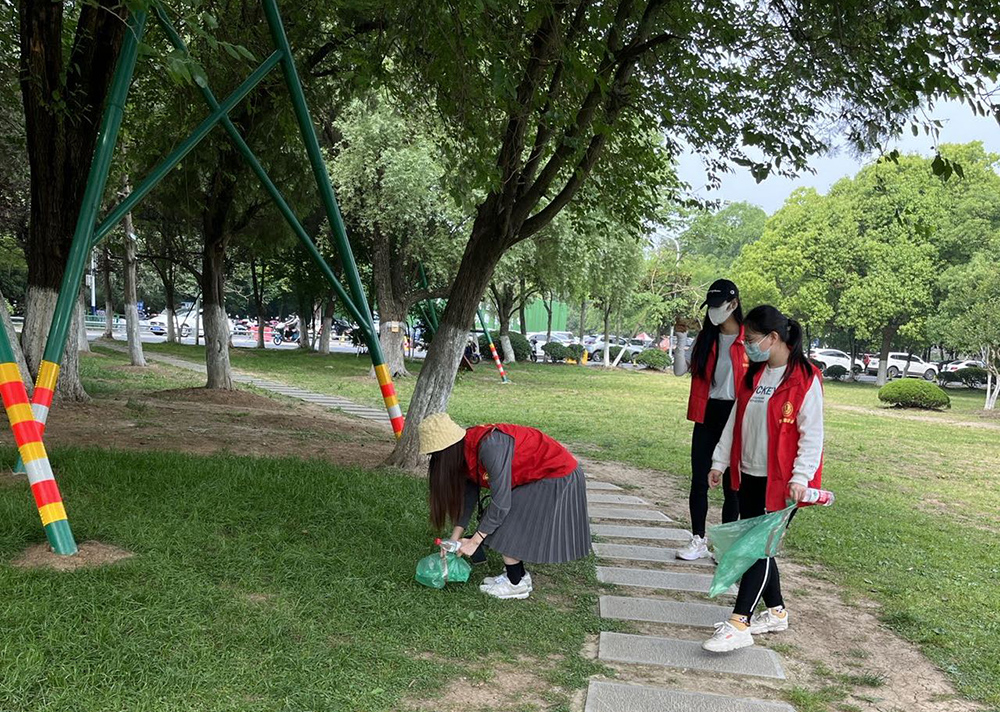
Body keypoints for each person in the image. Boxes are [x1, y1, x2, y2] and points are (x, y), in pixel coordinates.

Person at [702, 305, 824, 652]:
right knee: (760, 547)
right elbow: (734, 422)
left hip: (782, 483)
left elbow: (812, 435)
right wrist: (719, 461)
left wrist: (801, 478)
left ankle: (739, 623)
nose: (747, 346)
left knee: (756, 549)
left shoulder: (805, 378)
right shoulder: (754, 376)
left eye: (752, 340)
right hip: (750, 475)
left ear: (773, 338)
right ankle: (776, 611)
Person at [418, 413, 591, 600]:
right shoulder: (466, 449)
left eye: (435, 455)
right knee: (498, 518)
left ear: (446, 452)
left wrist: (474, 542)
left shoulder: (489, 447)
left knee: (506, 519)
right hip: (539, 475)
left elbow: (501, 504)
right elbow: (468, 497)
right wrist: (454, 539)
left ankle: (515, 584)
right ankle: (519, 576)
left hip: (557, 475)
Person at [672, 279, 747, 561]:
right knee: (699, 479)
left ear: (733, 304)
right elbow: (680, 370)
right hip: (707, 413)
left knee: (732, 485)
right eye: (711, 306)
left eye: (719, 305)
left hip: (736, 414)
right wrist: (681, 339)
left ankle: (725, 546)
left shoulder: (749, 340)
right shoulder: (706, 338)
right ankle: (698, 539)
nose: (714, 311)